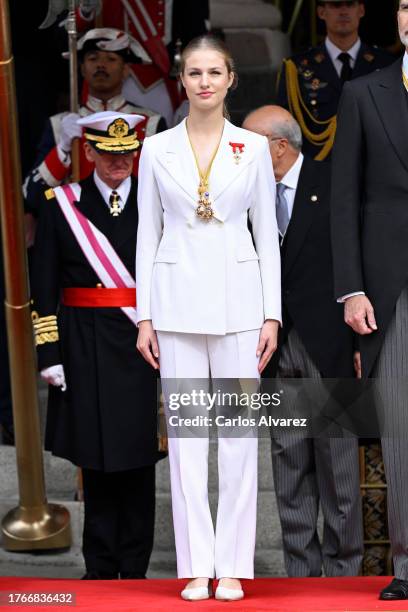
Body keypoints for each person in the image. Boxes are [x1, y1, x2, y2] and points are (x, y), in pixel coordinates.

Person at [135, 35, 281, 601]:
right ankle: (197, 565)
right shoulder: (155, 148)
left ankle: (232, 566)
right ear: (182, 79)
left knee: (241, 438)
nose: (203, 82)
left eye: (213, 72)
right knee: (189, 441)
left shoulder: (252, 145)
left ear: (230, 79)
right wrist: (145, 316)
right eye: (194, 72)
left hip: (243, 302)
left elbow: (266, 233)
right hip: (174, 303)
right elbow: (148, 233)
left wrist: (272, 314)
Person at [30, 111, 163, 580]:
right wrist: (49, 353)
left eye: (126, 153)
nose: (118, 162)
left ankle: (136, 566)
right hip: (83, 345)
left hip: (142, 344)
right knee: (96, 456)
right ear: (88, 152)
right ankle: (101, 568)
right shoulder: (59, 203)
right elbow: (42, 284)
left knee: (139, 459)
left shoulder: (156, 202)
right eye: (108, 154)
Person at [243, 105, 363, 577]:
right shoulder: (246, 194)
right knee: (289, 464)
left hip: (329, 344)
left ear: (278, 145)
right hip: (275, 347)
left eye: (248, 142)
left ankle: (343, 573)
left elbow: (357, 265)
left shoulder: (334, 183)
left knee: (338, 466)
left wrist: (360, 345)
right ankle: (302, 576)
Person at [331, 1, 408, 600]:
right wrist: (352, 288)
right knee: (402, 431)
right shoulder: (362, 93)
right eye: (407, 4)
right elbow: (344, 201)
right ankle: (407, 565)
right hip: (389, 291)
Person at [24, 27, 166, 219]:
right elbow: (32, 196)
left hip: (133, 230)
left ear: (125, 70)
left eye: (111, 59)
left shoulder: (151, 123)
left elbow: (166, 192)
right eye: (93, 58)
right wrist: (62, 150)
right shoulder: (59, 125)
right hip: (78, 233)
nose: (101, 65)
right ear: (81, 68)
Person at [276, 0, 393, 160]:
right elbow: (285, 128)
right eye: (336, 5)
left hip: (374, 166)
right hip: (320, 168)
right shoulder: (297, 68)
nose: (343, 11)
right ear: (321, 12)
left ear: (361, 10)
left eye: (350, 4)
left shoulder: (387, 64)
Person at [75, 0, 210, 126]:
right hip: (111, 77)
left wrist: (193, 93)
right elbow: (75, 30)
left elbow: (197, 39)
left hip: (161, 80)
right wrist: (85, 12)